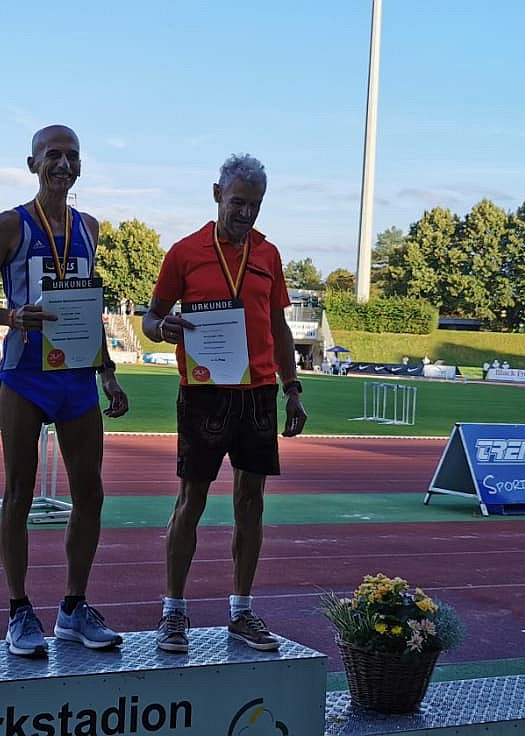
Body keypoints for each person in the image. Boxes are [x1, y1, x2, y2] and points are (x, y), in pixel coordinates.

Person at [0, 125, 130, 658]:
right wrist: (12, 316)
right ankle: (18, 610)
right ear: (32, 163)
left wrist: (107, 372)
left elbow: (88, 306)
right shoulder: (10, 224)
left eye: (72, 156)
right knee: (18, 492)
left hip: (76, 376)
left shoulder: (90, 227)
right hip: (25, 376)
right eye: (52, 155)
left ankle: (74, 607)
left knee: (90, 494)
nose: (63, 164)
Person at [141, 154, 307, 654]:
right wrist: (162, 329)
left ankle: (241, 610)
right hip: (205, 392)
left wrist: (292, 387)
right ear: (217, 194)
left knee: (251, 504)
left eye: (255, 205)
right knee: (190, 500)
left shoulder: (268, 254)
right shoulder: (184, 253)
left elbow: (278, 326)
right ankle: (173, 611)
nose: (246, 214)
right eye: (238, 202)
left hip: (258, 393)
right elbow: (151, 318)